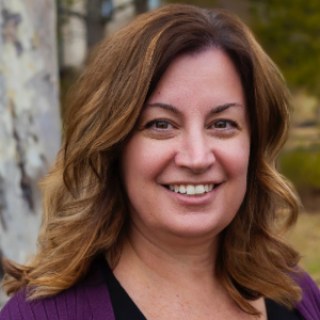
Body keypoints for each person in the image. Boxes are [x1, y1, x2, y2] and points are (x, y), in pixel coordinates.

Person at [1, 4, 319, 320]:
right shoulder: (41, 315)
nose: (197, 158)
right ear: (114, 145)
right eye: (161, 124)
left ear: (254, 144)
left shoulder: (295, 292)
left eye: (222, 124)